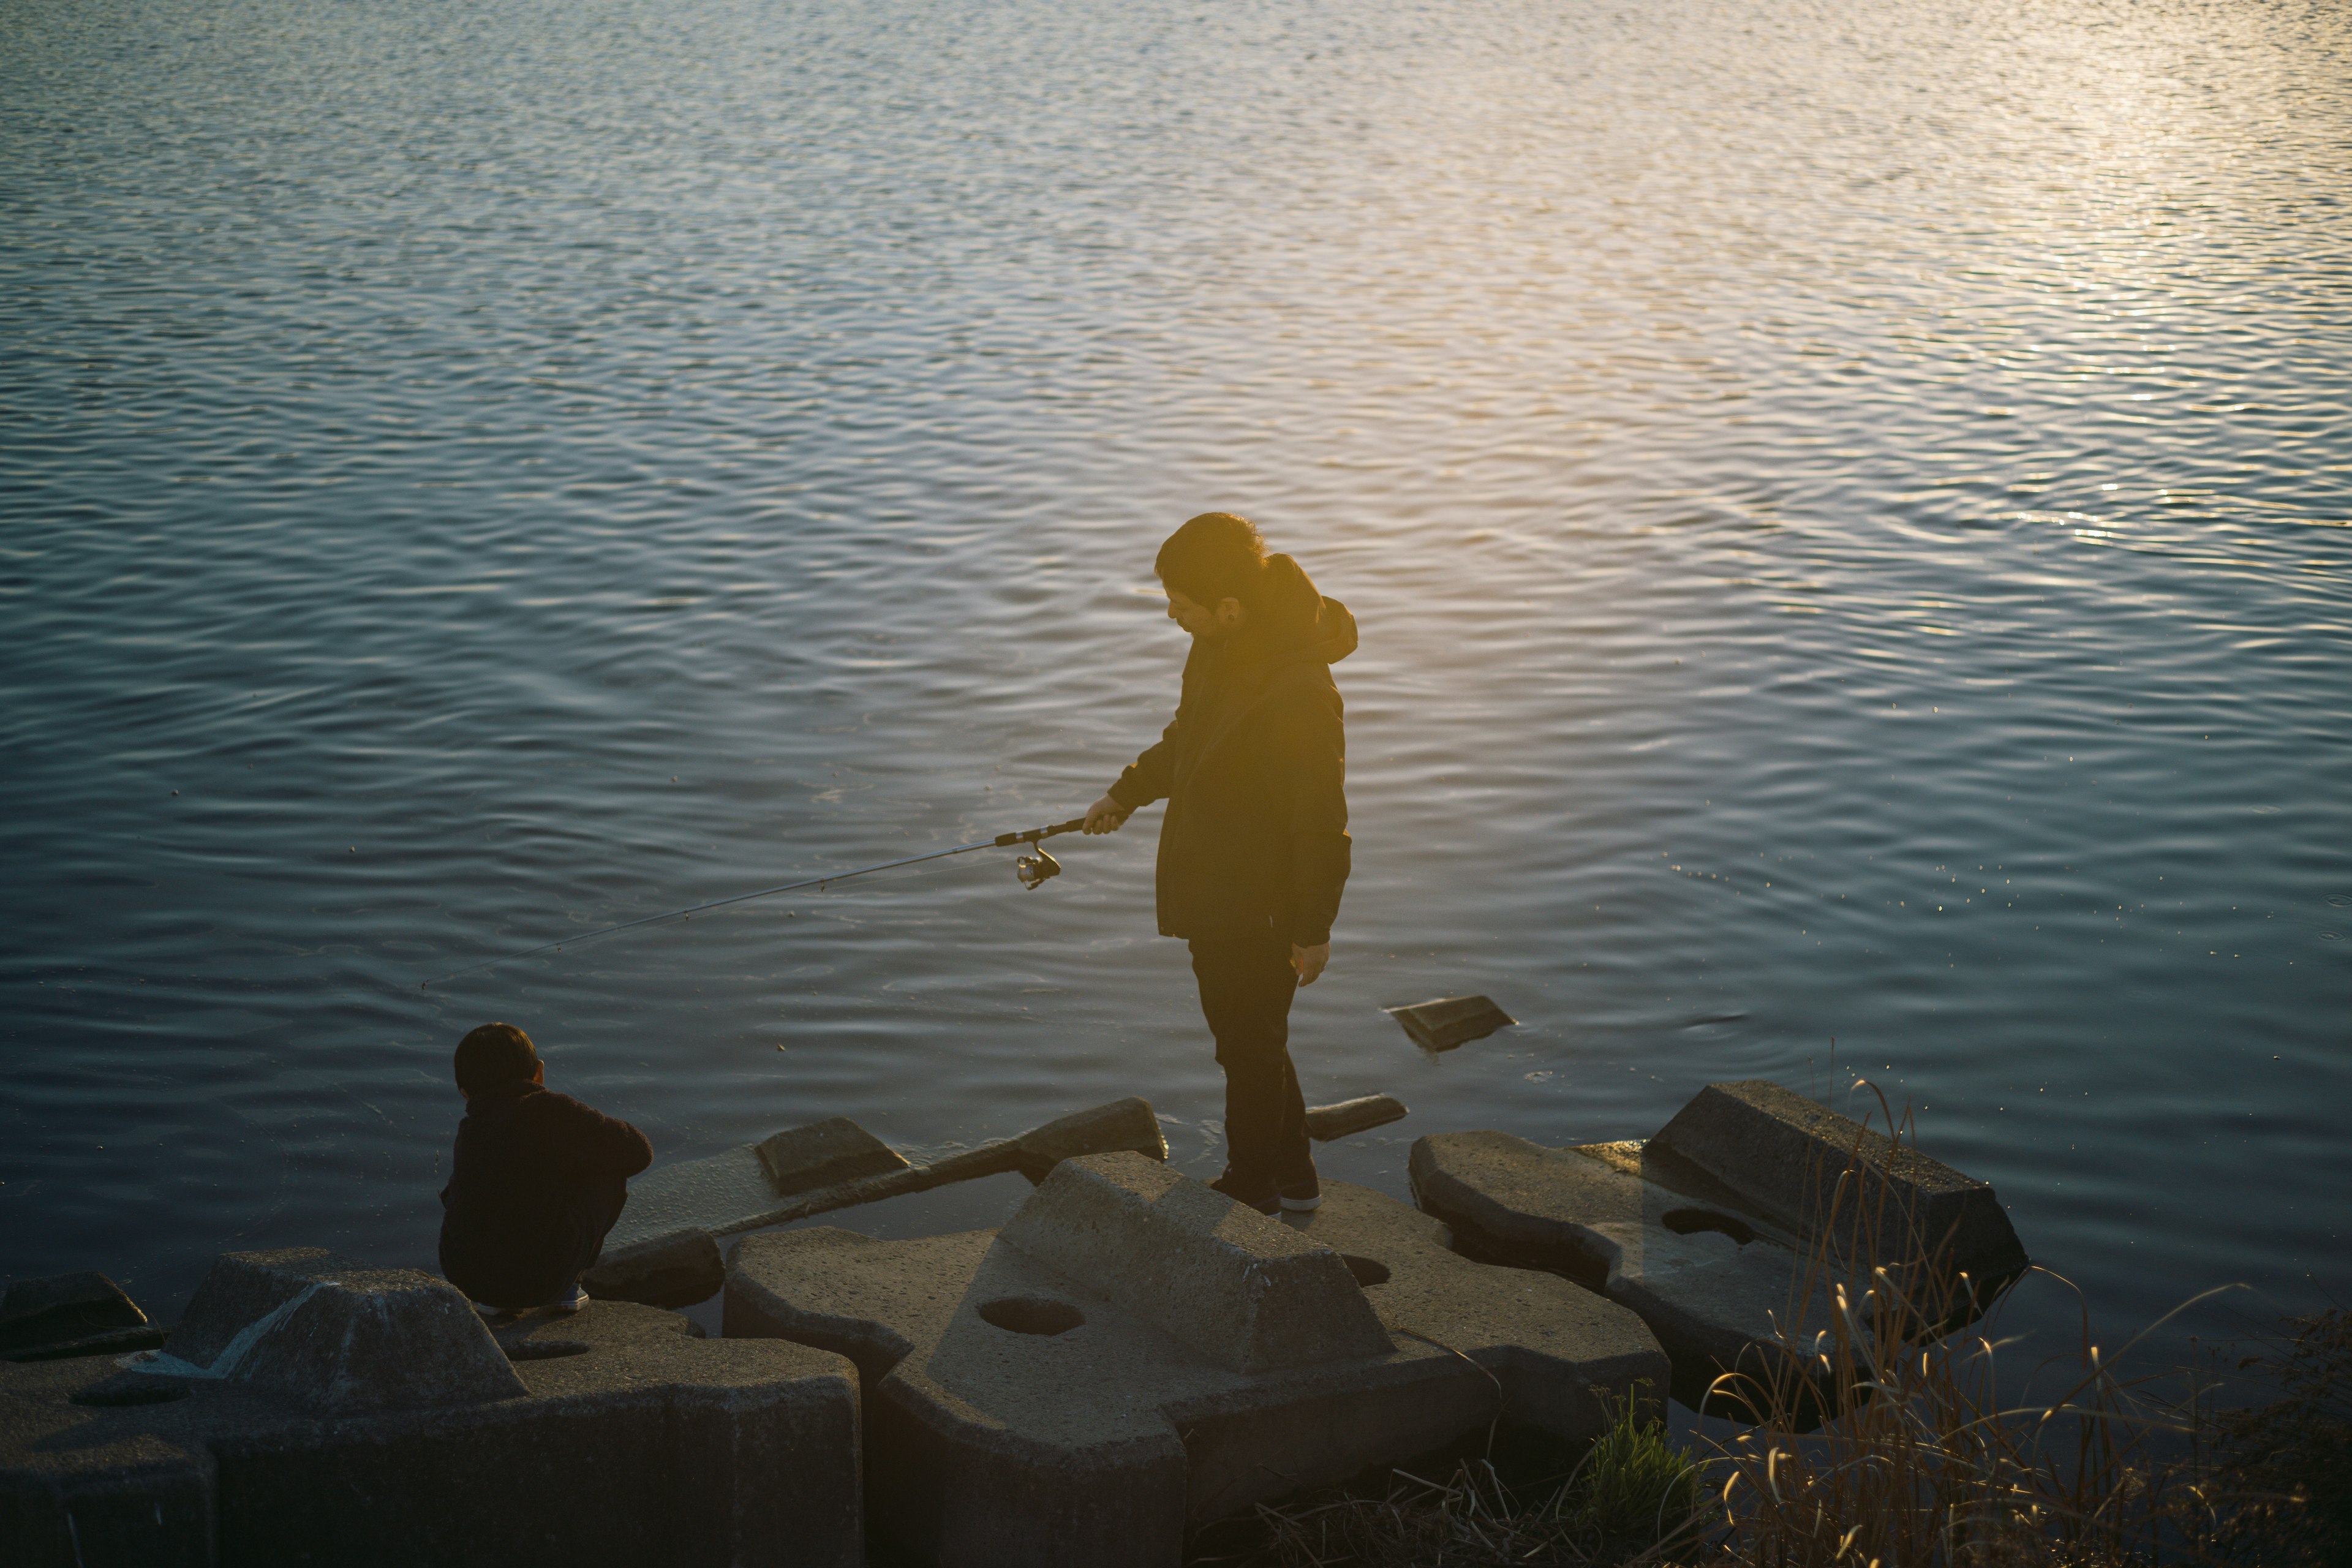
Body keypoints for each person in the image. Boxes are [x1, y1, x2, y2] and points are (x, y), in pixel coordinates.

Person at [1084, 513, 1355, 1216]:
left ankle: (1251, 1186)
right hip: (1214, 890)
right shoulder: (1218, 650)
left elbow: (1320, 823)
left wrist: (1311, 926)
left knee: (1247, 1047)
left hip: (1259, 904)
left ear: (1230, 608)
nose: (1173, 613)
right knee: (1251, 1039)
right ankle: (1295, 1180)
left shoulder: (1301, 691)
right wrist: (1128, 790)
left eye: (1182, 603)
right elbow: (1188, 738)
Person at [437, 1021, 653, 1316]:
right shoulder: (551, 1110)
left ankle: (494, 1300)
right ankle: (567, 1287)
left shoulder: (470, 1130)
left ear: (464, 1091)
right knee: (610, 1167)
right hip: (543, 1279)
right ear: (539, 1073)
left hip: (467, 1276)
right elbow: (638, 1152)